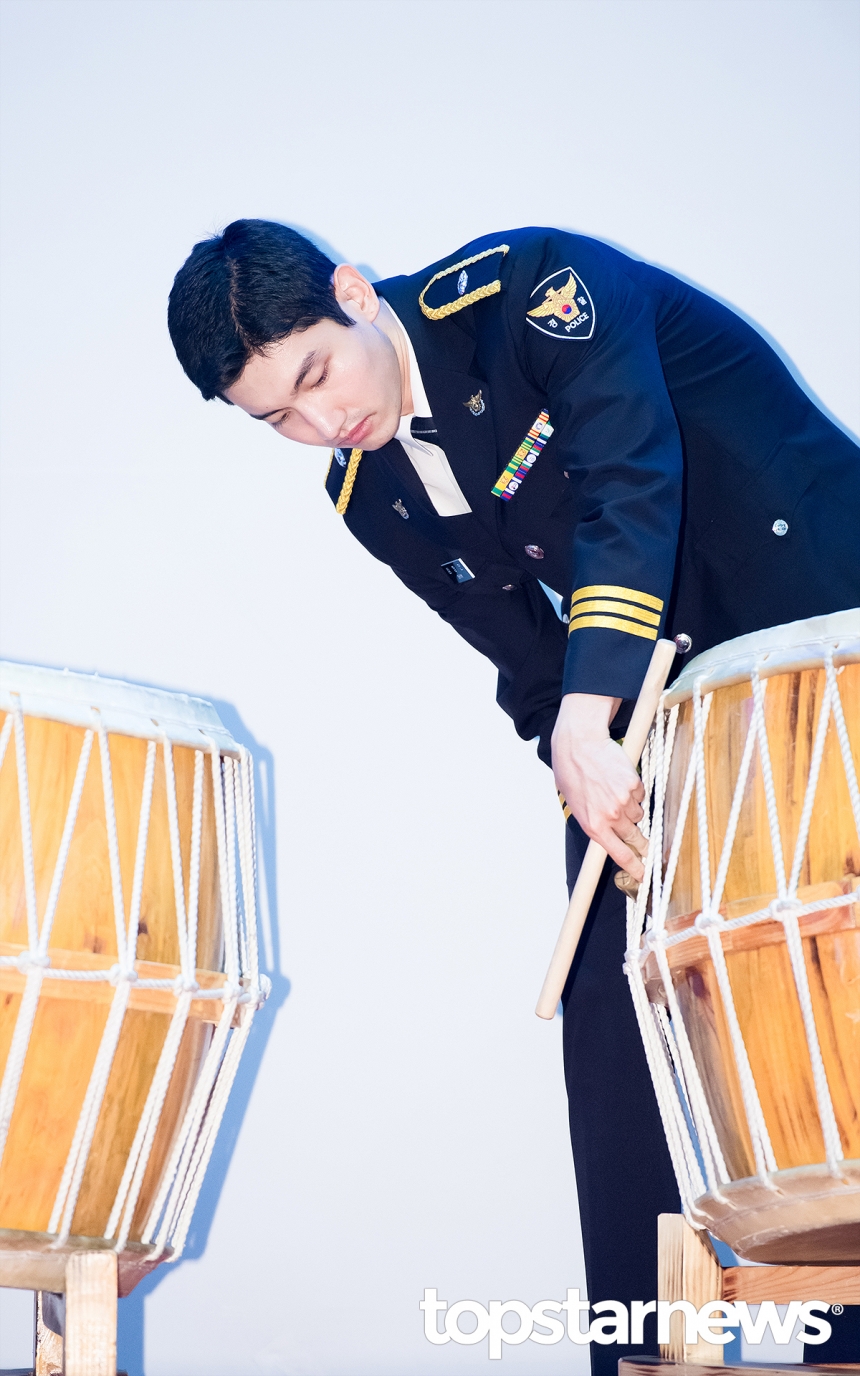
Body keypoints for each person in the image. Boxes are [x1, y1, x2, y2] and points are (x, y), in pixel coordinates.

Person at [167, 220, 860, 1370]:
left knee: (829, 973)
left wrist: (588, 710)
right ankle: (641, 1341)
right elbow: (525, 662)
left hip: (820, 623)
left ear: (351, 292)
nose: (320, 420)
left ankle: (845, 1322)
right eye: (276, 417)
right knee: (604, 973)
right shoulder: (365, 494)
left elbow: (629, 485)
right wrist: (572, 749)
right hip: (674, 696)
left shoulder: (535, 290)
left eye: (316, 373)